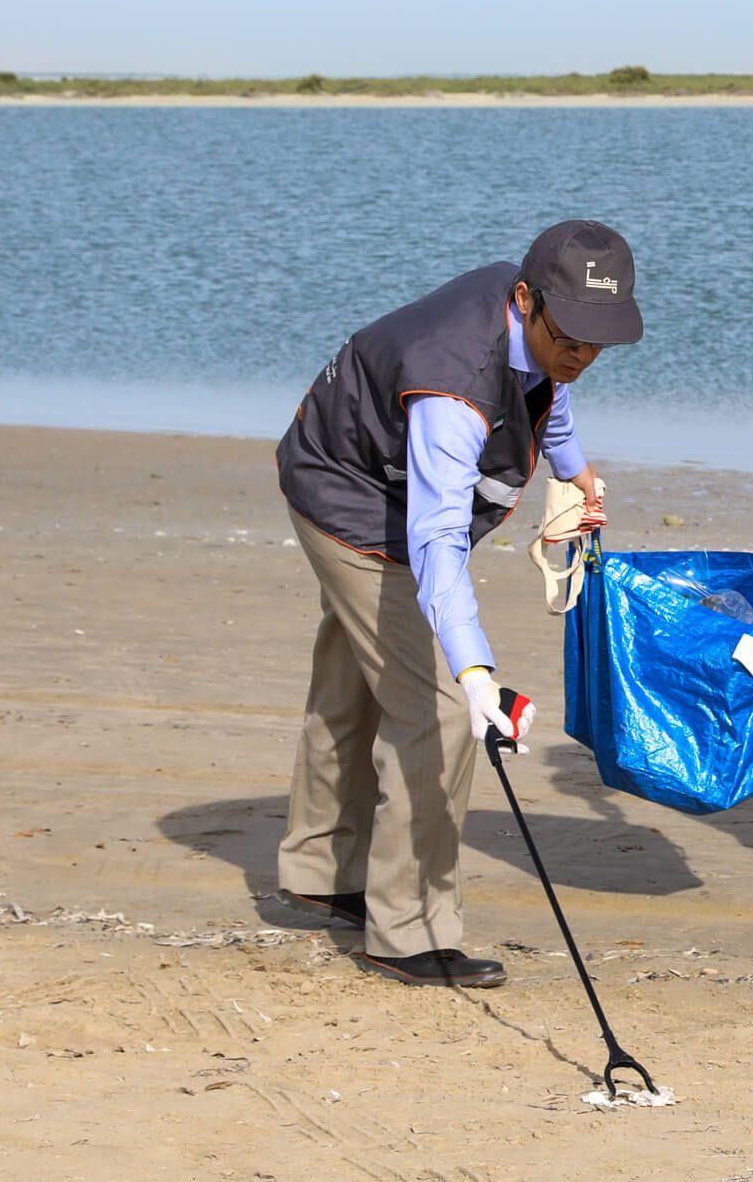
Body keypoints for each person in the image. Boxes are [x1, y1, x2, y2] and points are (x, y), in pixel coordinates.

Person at [273, 220, 642, 985]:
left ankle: (323, 868)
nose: (581, 353)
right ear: (524, 299)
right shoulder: (454, 388)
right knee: (437, 713)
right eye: (570, 333)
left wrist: (574, 472)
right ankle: (406, 931)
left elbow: (552, 391)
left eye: (597, 339)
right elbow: (437, 544)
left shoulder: (537, 324)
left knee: (358, 675)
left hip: (363, 459)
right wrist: (475, 676)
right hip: (345, 491)